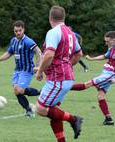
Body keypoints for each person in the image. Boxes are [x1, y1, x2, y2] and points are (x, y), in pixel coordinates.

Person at [34, 6, 83, 142]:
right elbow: (79, 53)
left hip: (58, 79)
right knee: (52, 112)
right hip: (65, 78)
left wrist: (40, 71)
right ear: (63, 18)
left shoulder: (53, 32)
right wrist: (67, 65)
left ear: (50, 18)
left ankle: (74, 119)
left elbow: (49, 55)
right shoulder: (70, 33)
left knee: (40, 108)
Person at [71, 31, 115, 125]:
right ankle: (108, 119)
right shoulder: (112, 47)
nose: (106, 43)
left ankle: (65, 87)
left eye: (108, 41)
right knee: (101, 96)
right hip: (106, 73)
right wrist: (92, 59)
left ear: (114, 40)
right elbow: (104, 56)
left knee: (88, 84)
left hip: (110, 75)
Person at [0, 20, 42, 117]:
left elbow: (38, 52)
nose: (18, 32)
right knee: (17, 91)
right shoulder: (13, 41)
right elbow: (9, 53)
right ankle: (28, 110)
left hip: (27, 70)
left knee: (19, 90)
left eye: (20, 30)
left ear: (23, 29)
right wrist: (0, 58)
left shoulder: (28, 41)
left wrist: (38, 66)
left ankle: (40, 92)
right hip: (17, 70)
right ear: (14, 30)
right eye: (16, 31)